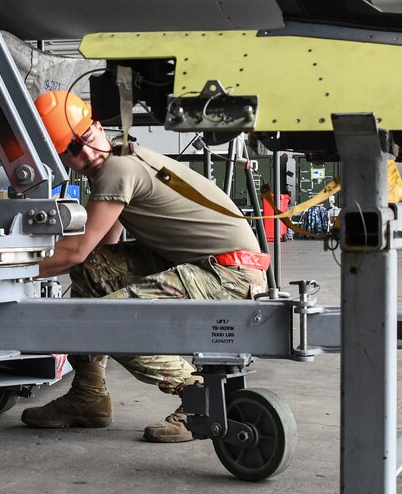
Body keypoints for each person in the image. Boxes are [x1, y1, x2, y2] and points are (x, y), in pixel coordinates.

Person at [20, 90, 269, 442]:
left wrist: (7, 270)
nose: (88, 154)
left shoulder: (117, 169)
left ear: (97, 126)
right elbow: (95, 257)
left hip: (228, 273)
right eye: (72, 152)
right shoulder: (122, 156)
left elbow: (75, 250)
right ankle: (87, 397)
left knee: (110, 322)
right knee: (94, 272)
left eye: (88, 139)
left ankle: (199, 398)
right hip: (214, 264)